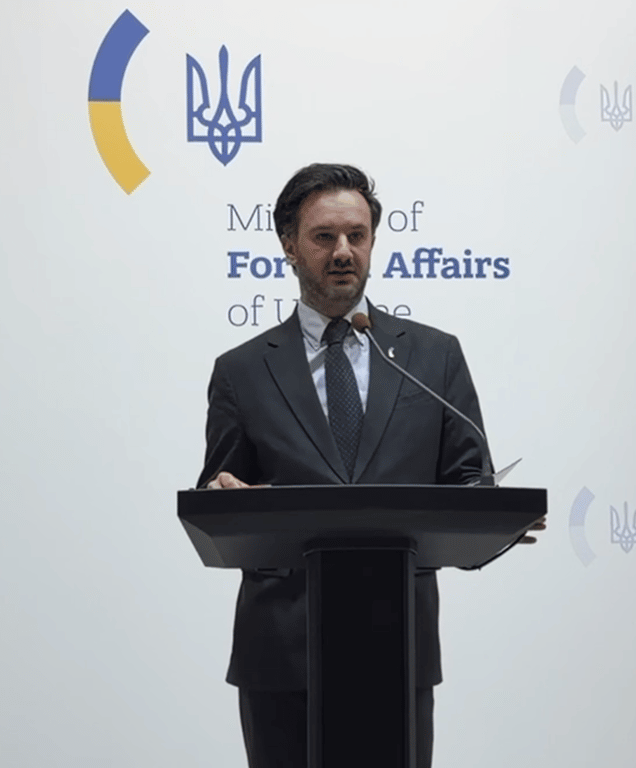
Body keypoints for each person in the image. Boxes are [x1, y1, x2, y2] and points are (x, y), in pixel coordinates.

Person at [195, 163, 540, 768]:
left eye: (357, 235)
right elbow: (222, 487)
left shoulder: (433, 357)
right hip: (281, 653)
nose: (343, 251)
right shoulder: (241, 371)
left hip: (397, 648)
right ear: (289, 246)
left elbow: (469, 480)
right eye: (324, 236)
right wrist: (221, 495)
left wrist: (495, 520)